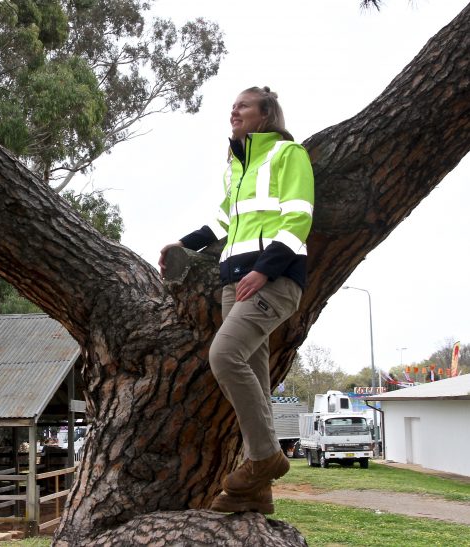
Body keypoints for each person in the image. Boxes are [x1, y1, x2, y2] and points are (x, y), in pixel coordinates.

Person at [159, 86, 314, 514]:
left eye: (243, 106)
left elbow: (298, 216)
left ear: (266, 115)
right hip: (234, 282)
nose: (234, 111)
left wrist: (265, 269)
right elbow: (225, 218)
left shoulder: (288, 155)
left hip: (273, 278)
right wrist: (185, 244)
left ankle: (265, 456)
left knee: (223, 356)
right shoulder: (237, 167)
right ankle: (257, 493)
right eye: (232, 107)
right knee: (256, 381)